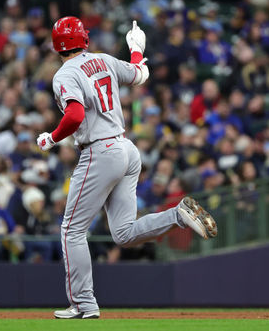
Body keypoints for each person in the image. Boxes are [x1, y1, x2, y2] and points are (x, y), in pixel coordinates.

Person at [36, 17, 217, 319]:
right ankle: (178, 215)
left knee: (71, 230)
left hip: (100, 151)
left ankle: (83, 304)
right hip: (127, 149)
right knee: (123, 233)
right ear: (84, 39)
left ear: (57, 45)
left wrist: (52, 138)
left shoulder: (64, 74)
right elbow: (139, 74)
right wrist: (136, 48)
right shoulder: (104, 60)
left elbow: (76, 115)